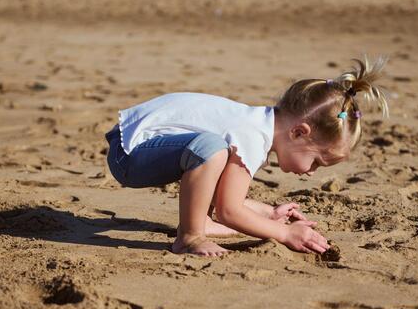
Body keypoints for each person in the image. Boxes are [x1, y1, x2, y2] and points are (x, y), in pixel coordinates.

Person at [104, 57, 389, 256]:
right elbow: (229, 211)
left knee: (213, 152)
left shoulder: (256, 124)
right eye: (316, 161)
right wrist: (285, 233)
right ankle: (189, 237)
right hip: (129, 154)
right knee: (211, 149)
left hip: (138, 144)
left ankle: (198, 221)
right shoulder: (253, 136)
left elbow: (224, 194)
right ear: (299, 132)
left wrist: (267, 213)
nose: (311, 171)